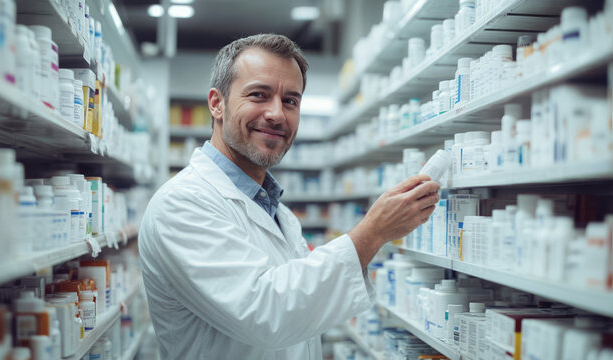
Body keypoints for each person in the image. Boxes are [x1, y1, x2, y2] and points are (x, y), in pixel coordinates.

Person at [139, 33, 440, 360]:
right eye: (258, 95)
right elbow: (266, 313)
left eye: (290, 101)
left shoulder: (275, 210)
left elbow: (302, 308)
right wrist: (373, 232)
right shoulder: (182, 203)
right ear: (217, 103)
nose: (276, 114)